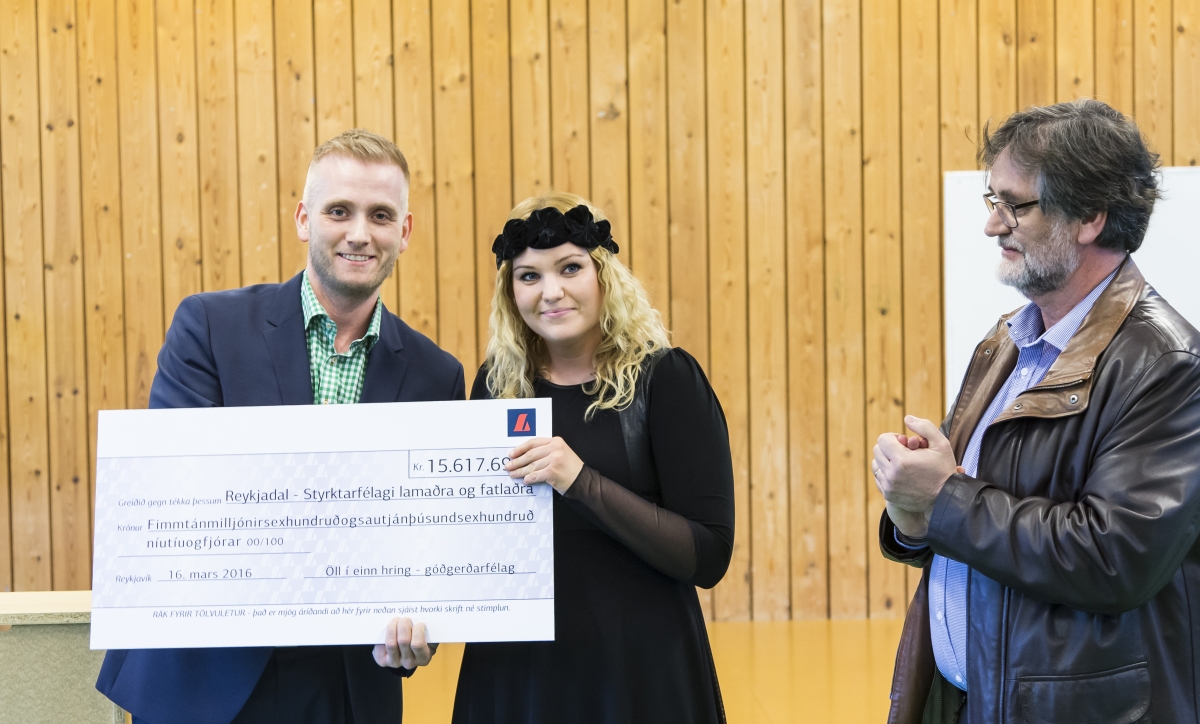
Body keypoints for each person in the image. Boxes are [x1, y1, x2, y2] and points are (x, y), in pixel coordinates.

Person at [96, 129, 464, 724]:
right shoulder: (209, 326)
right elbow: (179, 491)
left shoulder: (436, 375)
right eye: (338, 211)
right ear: (303, 219)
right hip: (206, 675)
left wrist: (422, 626)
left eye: (380, 215)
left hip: (345, 683)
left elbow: (429, 546)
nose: (359, 233)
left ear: (404, 231)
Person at [872, 99, 1200, 724]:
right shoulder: (1006, 342)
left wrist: (944, 499)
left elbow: (1114, 559)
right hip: (975, 702)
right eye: (991, 200)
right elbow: (976, 526)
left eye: (1014, 205)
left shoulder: (1167, 364)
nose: (992, 225)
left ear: (1090, 216)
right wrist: (914, 517)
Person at [451, 192, 735, 723]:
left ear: (604, 274)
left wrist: (580, 480)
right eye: (529, 276)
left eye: (570, 268)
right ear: (511, 292)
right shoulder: (496, 386)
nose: (551, 292)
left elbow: (708, 556)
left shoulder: (666, 379)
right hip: (518, 672)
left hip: (639, 671)